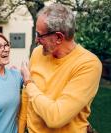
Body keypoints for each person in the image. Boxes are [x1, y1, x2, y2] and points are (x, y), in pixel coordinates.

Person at [18, 3, 102, 133]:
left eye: (40, 35)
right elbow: (27, 96)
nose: (36, 40)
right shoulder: (37, 53)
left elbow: (56, 118)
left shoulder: (88, 64)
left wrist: (28, 82)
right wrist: (20, 129)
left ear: (58, 37)